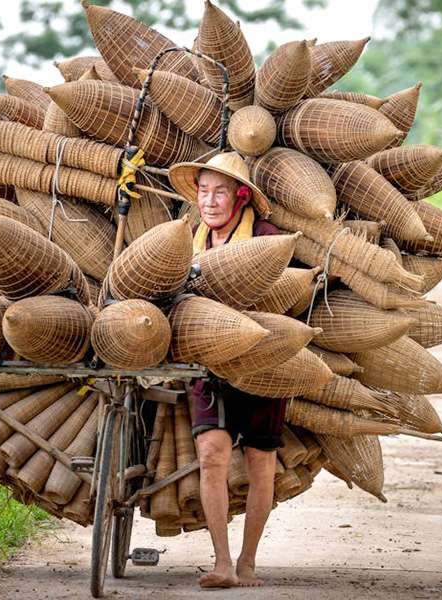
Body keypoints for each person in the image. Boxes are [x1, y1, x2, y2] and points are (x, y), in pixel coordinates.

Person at [168, 152, 284, 589]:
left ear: (239, 196)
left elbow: (283, 297)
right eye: (203, 191)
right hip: (207, 366)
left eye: (219, 192)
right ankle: (221, 562)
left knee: (260, 463)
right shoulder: (187, 240)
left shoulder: (266, 237)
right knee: (212, 455)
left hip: (261, 364)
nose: (210, 201)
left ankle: (248, 561)